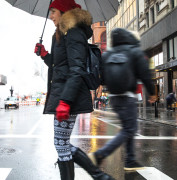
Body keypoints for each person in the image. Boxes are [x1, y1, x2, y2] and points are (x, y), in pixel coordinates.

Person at [34, 0, 114, 179]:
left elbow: (76, 70)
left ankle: (99, 176)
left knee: (61, 144)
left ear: (63, 11)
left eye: (53, 11)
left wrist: (65, 101)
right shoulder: (62, 34)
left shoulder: (74, 33)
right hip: (64, 93)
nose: (51, 16)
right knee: (61, 143)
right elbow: (59, 66)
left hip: (69, 96)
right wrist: (45, 55)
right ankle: (100, 176)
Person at [88, 28, 155, 172]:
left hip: (114, 97)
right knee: (130, 128)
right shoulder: (134, 51)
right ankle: (100, 154)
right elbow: (145, 74)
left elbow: (103, 79)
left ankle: (130, 160)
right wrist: (152, 92)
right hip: (128, 96)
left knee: (128, 127)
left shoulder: (107, 55)